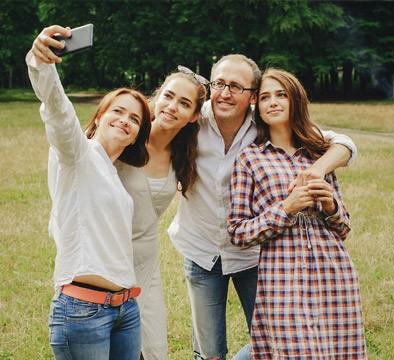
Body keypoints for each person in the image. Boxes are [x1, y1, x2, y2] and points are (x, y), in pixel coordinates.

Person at [168, 54, 358, 360]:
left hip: (253, 256)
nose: (224, 93)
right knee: (208, 351)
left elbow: (344, 143)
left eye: (235, 86)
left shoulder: (264, 127)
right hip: (201, 248)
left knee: (274, 340)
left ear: (251, 97)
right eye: (218, 83)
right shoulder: (193, 118)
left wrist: (317, 171)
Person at [27, 25, 151, 359]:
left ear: (137, 136)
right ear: (99, 118)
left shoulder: (115, 176)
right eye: (118, 111)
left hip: (125, 311)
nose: (125, 120)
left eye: (135, 119)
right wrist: (41, 63)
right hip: (83, 311)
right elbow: (58, 112)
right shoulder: (76, 154)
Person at [228, 68, 367, 359]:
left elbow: (344, 229)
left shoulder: (318, 154)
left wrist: (330, 205)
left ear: (295, 100)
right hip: (282, 277)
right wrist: (286, 208)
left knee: (338, 352)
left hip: (333, 272)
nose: (273, 102)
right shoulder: (250, 158)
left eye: (281, 95)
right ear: (257, 107)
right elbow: (238, 231)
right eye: (265, 97)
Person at [116, 66, 208, 360]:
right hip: (107, 257)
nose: (172, 107)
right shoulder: (125, 136)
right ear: (157, 97)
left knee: (151, 349)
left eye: (184, 103)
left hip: (145, 264)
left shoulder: (184, 154)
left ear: (194, 115)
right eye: (168, 96)